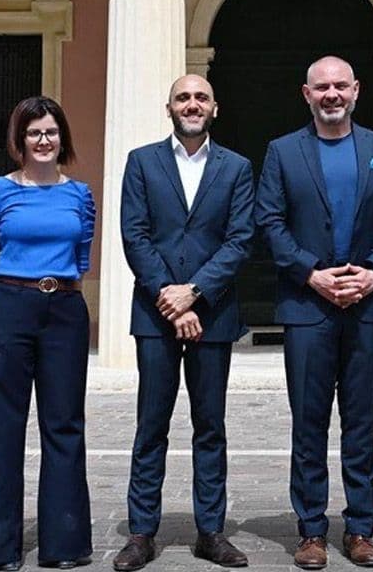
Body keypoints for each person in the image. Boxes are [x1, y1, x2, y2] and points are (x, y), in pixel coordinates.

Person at [256, 56, 373, 570]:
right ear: (306, 93)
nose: (331, 94)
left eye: (340, 86)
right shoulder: (282, 152)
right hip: (307, 307)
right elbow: (270, 221)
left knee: (360, 423)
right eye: (321, 87)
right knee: (308, 422)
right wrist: (310, 273)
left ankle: (362, 528)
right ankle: (311, 531)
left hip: (367, 305)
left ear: (356, 91)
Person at [114, 76, 257, 571]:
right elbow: (135, 234)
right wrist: (170, 298)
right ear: (168, 107)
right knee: (150, 424)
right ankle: (140, 532)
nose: (191, 105)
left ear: (215, 107)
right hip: (155, 314)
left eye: (200, 98)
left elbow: (240, 239)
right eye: (183, 98)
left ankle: (211, 531)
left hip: (213, 314)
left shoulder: (237, 167)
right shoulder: (142, 161)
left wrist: (194, 293)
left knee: (209, 425)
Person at [0, 96, 97, 572]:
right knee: (1, 425)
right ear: (19, 140)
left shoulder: (80, 194)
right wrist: (9, 301)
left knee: (64, 425)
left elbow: (81, 260)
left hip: (63, 308)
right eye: (34, 133)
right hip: (9, 307)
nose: (44, 140)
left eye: (52, 132)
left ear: (63, 138)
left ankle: (63, 544)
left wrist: (53, 295)